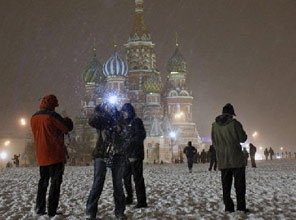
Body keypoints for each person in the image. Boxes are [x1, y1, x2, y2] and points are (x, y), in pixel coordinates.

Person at [31, 94, 73, 218]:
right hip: (55, 155)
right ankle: (51, 210)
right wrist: (68, 120)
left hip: (41, 155)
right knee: (55, 183)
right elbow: (66, 128)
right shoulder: (52, 116)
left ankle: (39, 208)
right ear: (52, 105)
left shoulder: (33, 117)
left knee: (43, 182)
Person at [85, 103, 127, 220]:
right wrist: (98, 109)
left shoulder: (119, 117)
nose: (109, 107)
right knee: (98, 182)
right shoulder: (101, 118)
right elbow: (91, 121)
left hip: (117, 153)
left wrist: (120, 128)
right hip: (101, 152)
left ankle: (120, 212)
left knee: (118, 184)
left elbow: (125, 132)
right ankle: (90, 211)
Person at [211, 103, 248, 213]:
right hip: (236, 159)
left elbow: (214, 142)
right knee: (239, 186)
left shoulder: (214, 126)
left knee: (226, 187)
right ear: (231, 114)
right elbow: (243, 138)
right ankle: (241, 207)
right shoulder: (235, 124)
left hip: (223, 160)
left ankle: (228, 207)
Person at [121, 103, 148, 208]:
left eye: (125, 112)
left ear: (129, 112)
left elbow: (141, 135)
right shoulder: (124, 123)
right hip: (126, 155)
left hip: (135, 154)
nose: (124, 114)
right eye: (123, 112)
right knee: (126, 178)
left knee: (137, 179)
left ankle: (142, 201)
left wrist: (130, 142)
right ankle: (129, 197)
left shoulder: (136, 122)